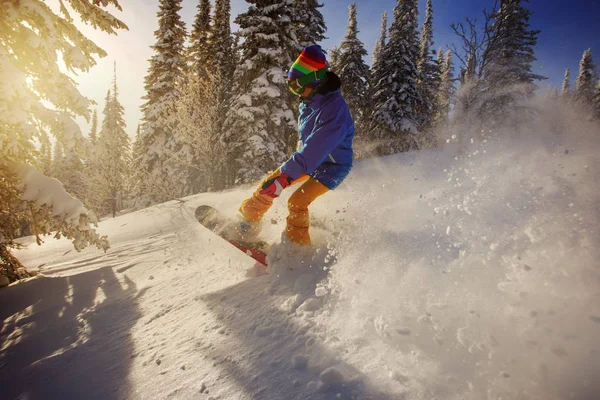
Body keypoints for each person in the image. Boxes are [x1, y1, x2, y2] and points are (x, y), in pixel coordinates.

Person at [237, 44, 355, 246]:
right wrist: (283, 176)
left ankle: (298, 251)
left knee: (297, 202)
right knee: (270, 183)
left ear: (315, 81)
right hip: (312, 162)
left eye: (298, 86)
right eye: (291, 86)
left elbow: (315, 148)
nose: (296, 93)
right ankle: (247, 223)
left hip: (333, 167)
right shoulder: (309, 101)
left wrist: (287, 175)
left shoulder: (335, 112)